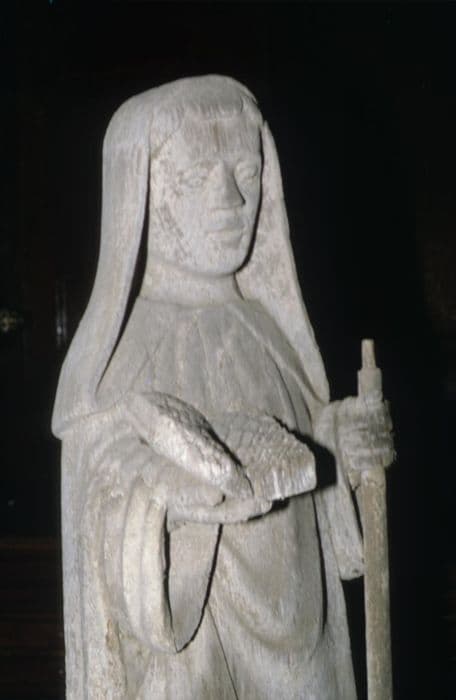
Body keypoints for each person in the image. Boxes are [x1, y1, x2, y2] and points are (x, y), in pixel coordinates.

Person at [52, 75, 394, 699]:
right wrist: (172, 494)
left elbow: (314, 472)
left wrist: (345, 447)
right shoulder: (123, 352)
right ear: (144, 192)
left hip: (301, 652)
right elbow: (100, 499)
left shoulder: (270, 331)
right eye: (195, 178)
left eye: (247, 172)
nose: (232, 200)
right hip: (190, 655)